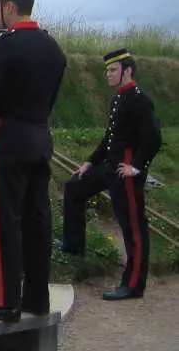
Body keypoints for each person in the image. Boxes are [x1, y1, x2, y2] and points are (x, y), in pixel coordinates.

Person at [0, 0, 67, 322]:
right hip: (40, 135)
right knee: (37, 218)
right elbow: (51, 96)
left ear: (10, 7)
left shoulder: (4, 46)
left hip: (8, 137)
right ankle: (37, 298)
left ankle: (5, 300)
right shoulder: (52, 47)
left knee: (3, 221)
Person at [58, 48, 161, 300]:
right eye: (107, 70)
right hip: (108, 167)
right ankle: (73, 247)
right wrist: (89, 162)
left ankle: (133, 285)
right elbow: (109, 139)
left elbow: (153, 138)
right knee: (74, 188)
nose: (108, 74)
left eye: (113, 70)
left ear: (127, 71)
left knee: (133, 228)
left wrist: (135, 167)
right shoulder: (118, 98)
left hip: (125, 174)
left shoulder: (139, 99)